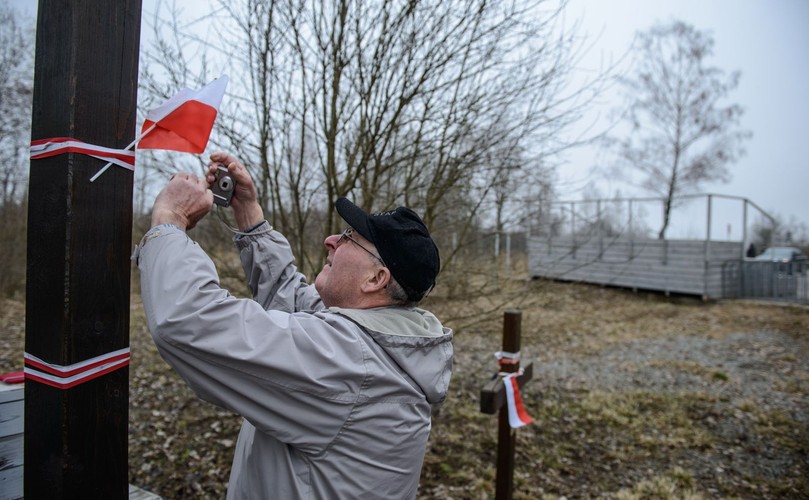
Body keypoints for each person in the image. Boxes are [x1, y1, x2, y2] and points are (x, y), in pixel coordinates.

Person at [133, 151, 454, 499]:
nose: (331, 240)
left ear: (376, 278)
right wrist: (249, 216)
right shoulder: (385, 340)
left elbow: (189, 319)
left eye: (349, 237)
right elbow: (294, 301)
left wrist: (170, 219)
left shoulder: (348, 362)